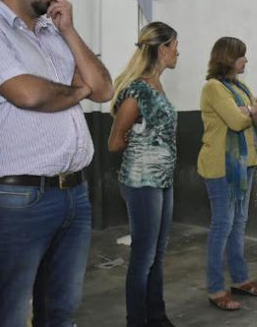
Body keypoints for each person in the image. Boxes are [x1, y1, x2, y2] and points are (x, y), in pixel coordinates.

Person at [0, 0, 113, 326]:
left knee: (61, 310)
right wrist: (78, 91)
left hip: (75, 194)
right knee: (8, 312)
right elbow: (28, 93)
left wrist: (70, 32)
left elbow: (104, 89)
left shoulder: (54, 32)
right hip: (18, 197)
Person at [108, 22, 180, 327]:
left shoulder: (156, 85)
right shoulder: (138, 89)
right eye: (175, 46)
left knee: (158, 254)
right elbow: (114, 142)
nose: (177, 52)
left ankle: (157, 316)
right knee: (143, 257)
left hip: (162, 180)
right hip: (141, 180)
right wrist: (142, 145)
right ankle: (136, 321)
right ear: (163, 49)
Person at [197, 36, 257, 311]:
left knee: (239, 222)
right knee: (222, 225)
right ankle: (216, 288)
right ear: (228, 58)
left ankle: (240, 279)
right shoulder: (213, 88)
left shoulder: (239, 87)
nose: (246, 60)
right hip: (221, 166)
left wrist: (250, 110)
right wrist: (251, 110)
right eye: (241, 56)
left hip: (244, 164)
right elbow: (238, 122)